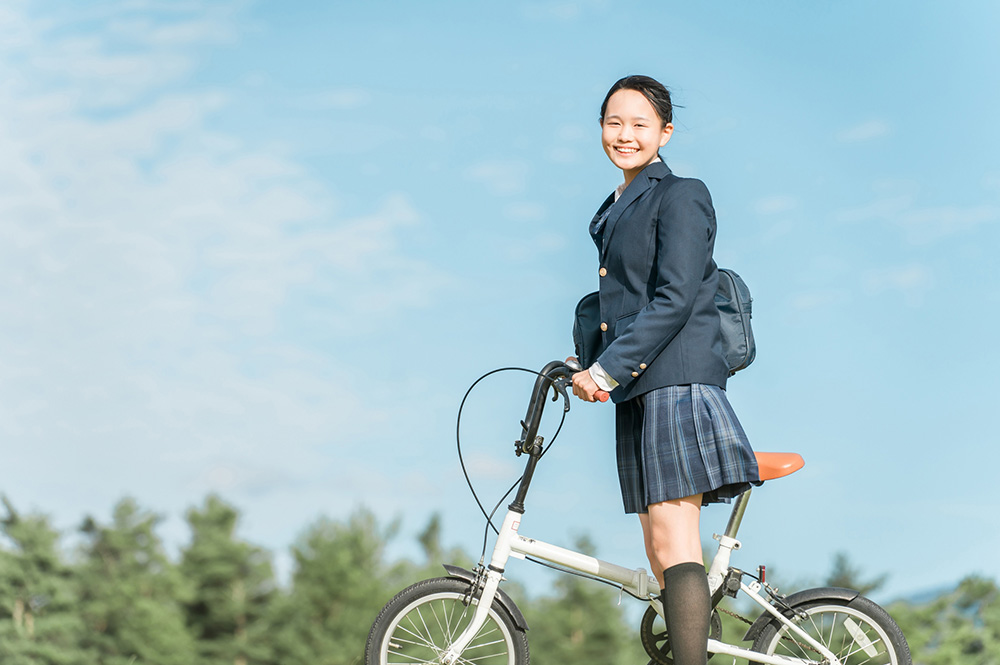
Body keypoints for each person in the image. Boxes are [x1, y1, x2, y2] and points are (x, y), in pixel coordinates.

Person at [570, 75, 760, 665]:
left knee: (676, 542)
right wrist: (586, 359)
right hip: (641, 386)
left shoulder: (682, 195)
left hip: (678, 381)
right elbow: (620, 301)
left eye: (639, 124)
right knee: (658, 546)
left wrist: (605, 371)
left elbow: (675, 297)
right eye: (614, 123)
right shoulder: (614, 208)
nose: (624, 135)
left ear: (665, 133)